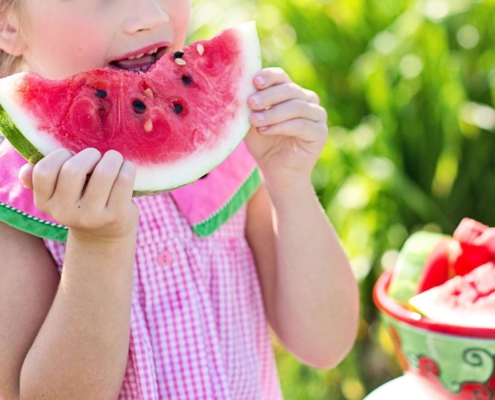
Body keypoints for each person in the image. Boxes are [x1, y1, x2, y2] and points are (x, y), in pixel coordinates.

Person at [0, 0, 360, 399]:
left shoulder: (229, 156)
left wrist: (291, 185)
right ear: (8, 24)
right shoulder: (13, 204)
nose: (152, 16)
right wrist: (99, 245)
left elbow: (326, 343)